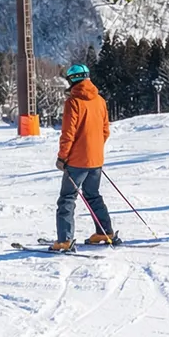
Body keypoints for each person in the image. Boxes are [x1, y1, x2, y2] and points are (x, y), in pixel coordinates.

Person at [50, 64, 118, 253]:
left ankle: (65, 240)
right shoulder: (100, 100)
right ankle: (105, 232)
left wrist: (62, 157)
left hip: (77, 161)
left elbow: (68, 134)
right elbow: (105, 131)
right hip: (96, 160)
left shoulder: (73, 102)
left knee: (67, 199)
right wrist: (94, 150)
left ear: (72, 80)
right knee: (93, 196)